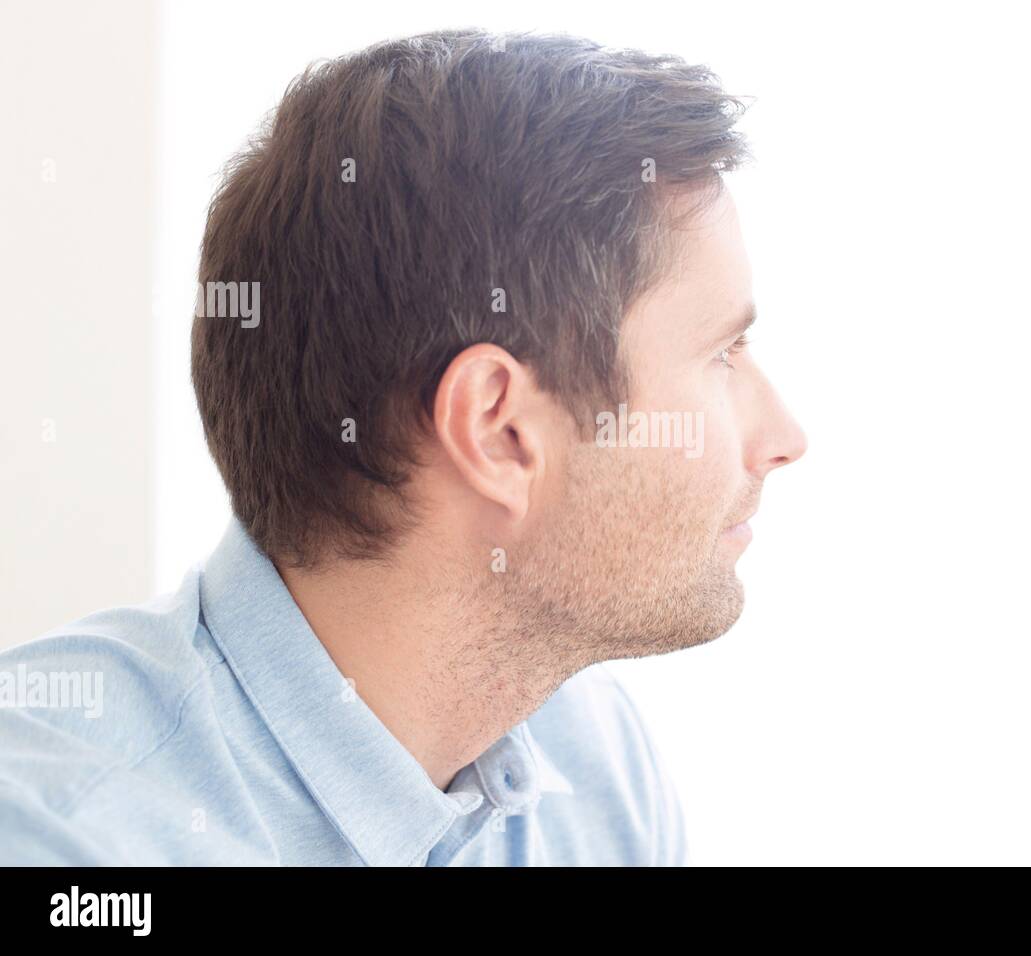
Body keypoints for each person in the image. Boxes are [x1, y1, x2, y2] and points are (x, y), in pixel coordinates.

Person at [0, 28, 806, 866]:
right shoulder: (57, 837)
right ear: (499, 431)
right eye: (721, 355)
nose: (785, 438)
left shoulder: (592, 765)